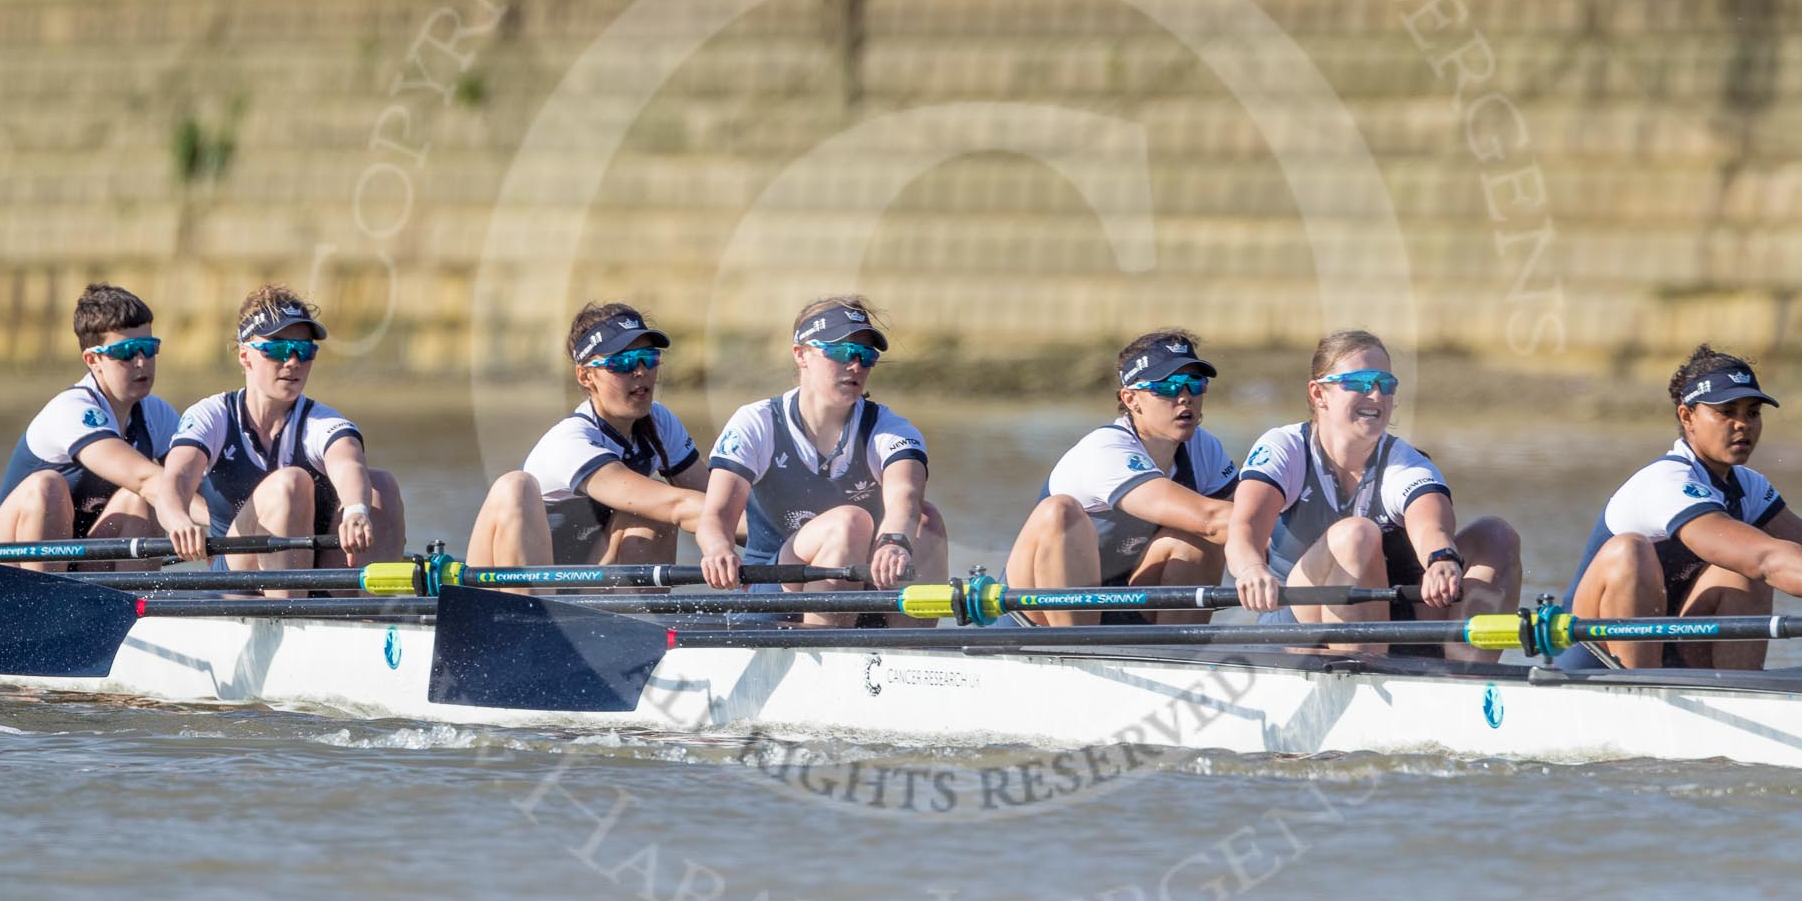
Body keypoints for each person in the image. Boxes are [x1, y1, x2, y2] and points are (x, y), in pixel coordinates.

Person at [1225, 329, 1523, 663]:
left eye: (1386, 383)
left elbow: (1431, 526)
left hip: (1396, 621)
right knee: (1355, 535)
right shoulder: (1284, 448)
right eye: (1360, 382)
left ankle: (1467, 680)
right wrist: (1251, 569)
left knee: (1494, 535)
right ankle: (1357, 676)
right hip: (1298, 626)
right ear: (1319, 393)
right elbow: (1244, 528)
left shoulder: (1405, 461)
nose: (1377, 395)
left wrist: (1441, 559)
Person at [1558, 344, 1802, 670]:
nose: (1742, 424)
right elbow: (1767, 560)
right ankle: (1639, 690)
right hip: (1590, 656)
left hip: (1670, 645)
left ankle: (1736, 694)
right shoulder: (1666, 481)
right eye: (1726, 412)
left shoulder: (1749, 486)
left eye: (1752, 413)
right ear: (1688, 417)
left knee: (1741, 570)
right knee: (1631, 550)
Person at [696, 297, 946, 626]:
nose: (856, 366)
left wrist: (894, 541)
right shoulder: (756, 422)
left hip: (860, 583)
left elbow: (906, 499)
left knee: (927, 521)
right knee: (849, 523)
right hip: (772, 587)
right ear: (801, 354)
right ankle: (825, 641)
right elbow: (715, 516)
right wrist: (717, 550)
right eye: (841, 352)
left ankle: (908, 653)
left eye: (866, 356)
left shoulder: (890, 429)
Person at [156, 285, 404, 589]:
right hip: (237, 577)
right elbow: (176, 480)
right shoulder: (212, 415)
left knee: (380, 486)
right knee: (291, 484)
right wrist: (178, 520)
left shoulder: (322, 421)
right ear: (245, 356)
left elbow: (347, 462)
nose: (292, 362)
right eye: (277, 349)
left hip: (314, 574)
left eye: (304, 351)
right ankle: (288, 613)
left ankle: (373, 616)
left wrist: (356, 509)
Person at [1004, 331, 1238, 626]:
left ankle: (1173, 653)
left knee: (1199, 540)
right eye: (1167, 386)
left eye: (1195, 384)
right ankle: (1076, 650)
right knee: (1059, 511)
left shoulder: (1205, 448)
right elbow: (1213, 518)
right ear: (1131, 399)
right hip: (1040, 617)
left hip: (1125, 601)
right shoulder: (1105, 449)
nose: (1185, 397)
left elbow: (1250, 518)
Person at [466, 303, 711, 567]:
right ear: (585, 376)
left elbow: (719, 505)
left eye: (648, 358)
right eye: (622, 362)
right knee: (514, 485)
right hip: (512, 591)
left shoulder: (659, 423)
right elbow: (678, 505)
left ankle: (634, 609)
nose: (640, 371)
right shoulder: (570, 441)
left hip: (584, 587)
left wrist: (760, 536)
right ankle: (525, 606)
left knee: (651, 513)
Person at [0, 283, 180, 569]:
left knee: (140, 501)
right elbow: (147, 480)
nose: (142, 362)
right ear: (93, 359)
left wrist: (238, 520)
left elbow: (195, 486)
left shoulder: (157, 414)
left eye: (148, 348)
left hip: (80, 569)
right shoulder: (72, 411)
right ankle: (42, 603)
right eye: (127, 351)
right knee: (48, 486)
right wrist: (190, 519)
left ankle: (135, 607)